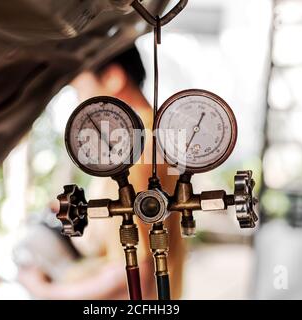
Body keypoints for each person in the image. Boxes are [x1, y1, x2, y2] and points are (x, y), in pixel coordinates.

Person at [18, 46, 186, 299]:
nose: (78, 102)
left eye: (79, 90)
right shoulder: (151, 134)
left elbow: (136, 271)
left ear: (112, 78)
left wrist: (47, 292)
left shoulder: (138, 151)